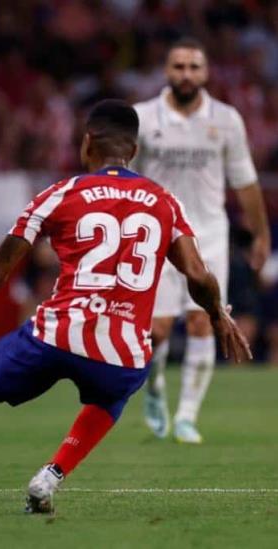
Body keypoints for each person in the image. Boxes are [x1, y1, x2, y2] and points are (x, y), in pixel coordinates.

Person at [0, 100, 251, 517]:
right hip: (120, 350)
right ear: (134, 150)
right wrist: (218, 315)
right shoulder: (164, 202)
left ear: (87, 142)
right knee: (116, 389)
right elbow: (197, 275)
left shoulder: (60, 194)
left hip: (56, 333)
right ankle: (51, 475)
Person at [133, 38, 270, 444]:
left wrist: (260, 233)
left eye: (194, 67)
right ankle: (155, 392)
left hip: (207, 234)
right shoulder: (142, 117)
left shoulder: (226, 120)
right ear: (166, 72)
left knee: (203, 321)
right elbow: (124, 177)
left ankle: (188, 417)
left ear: (206, 73)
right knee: (155, 331)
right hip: (155, 236)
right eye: (179, 67)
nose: (186, 74)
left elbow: (245, 181)